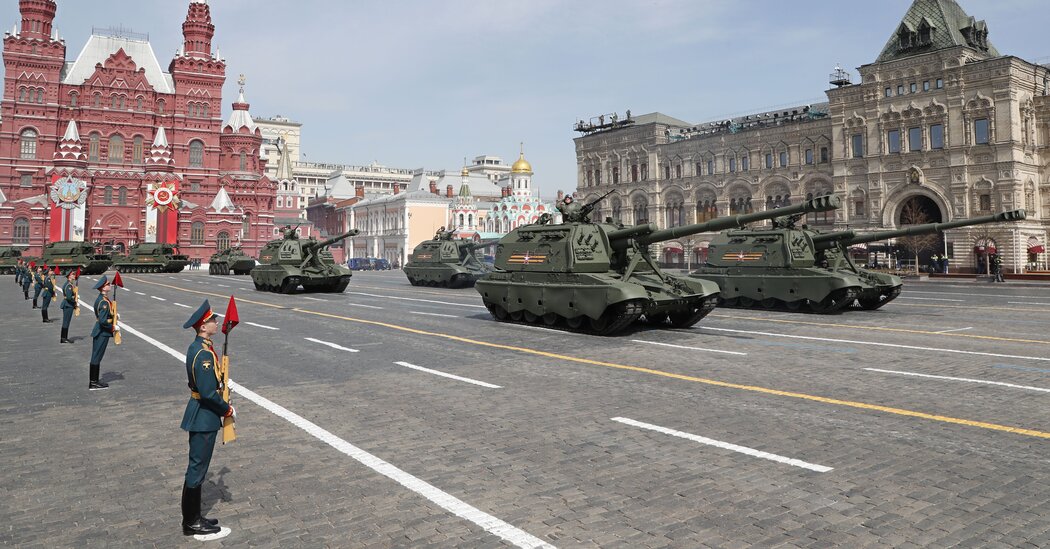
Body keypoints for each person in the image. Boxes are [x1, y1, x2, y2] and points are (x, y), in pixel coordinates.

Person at [179, 300, 234, 537]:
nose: (216, 323)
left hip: (203, 415)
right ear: (203, 326)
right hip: (204, 416)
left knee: (199, 468)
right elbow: (207, 392)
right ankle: (191, 522)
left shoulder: (203, 347)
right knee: (197, 468)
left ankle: (195, 517)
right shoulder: (202, 352)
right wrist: (227, 409)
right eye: (212, 320)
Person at [88, 276, 114, 390]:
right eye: (108, 284)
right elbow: (103, 321)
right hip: (102, 331)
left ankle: (94, 381)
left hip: (100, 330)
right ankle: (93, 382)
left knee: (96, 356)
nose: (110, 285)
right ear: (103, 287)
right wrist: (112, 327)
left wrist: (113, 316)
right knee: (96, 356)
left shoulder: (103, 299)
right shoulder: (103, 302)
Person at [59, 270, 78, 343]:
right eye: (73, 274)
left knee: (66, 321)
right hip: (68, 305)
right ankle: (63, 338)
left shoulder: (69, 284)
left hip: (68, 304)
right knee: (66, 322)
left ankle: (64, 337)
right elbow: (69, 297)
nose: (74, 275)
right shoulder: (69, 285)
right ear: (69, 276)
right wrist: (75, 301)